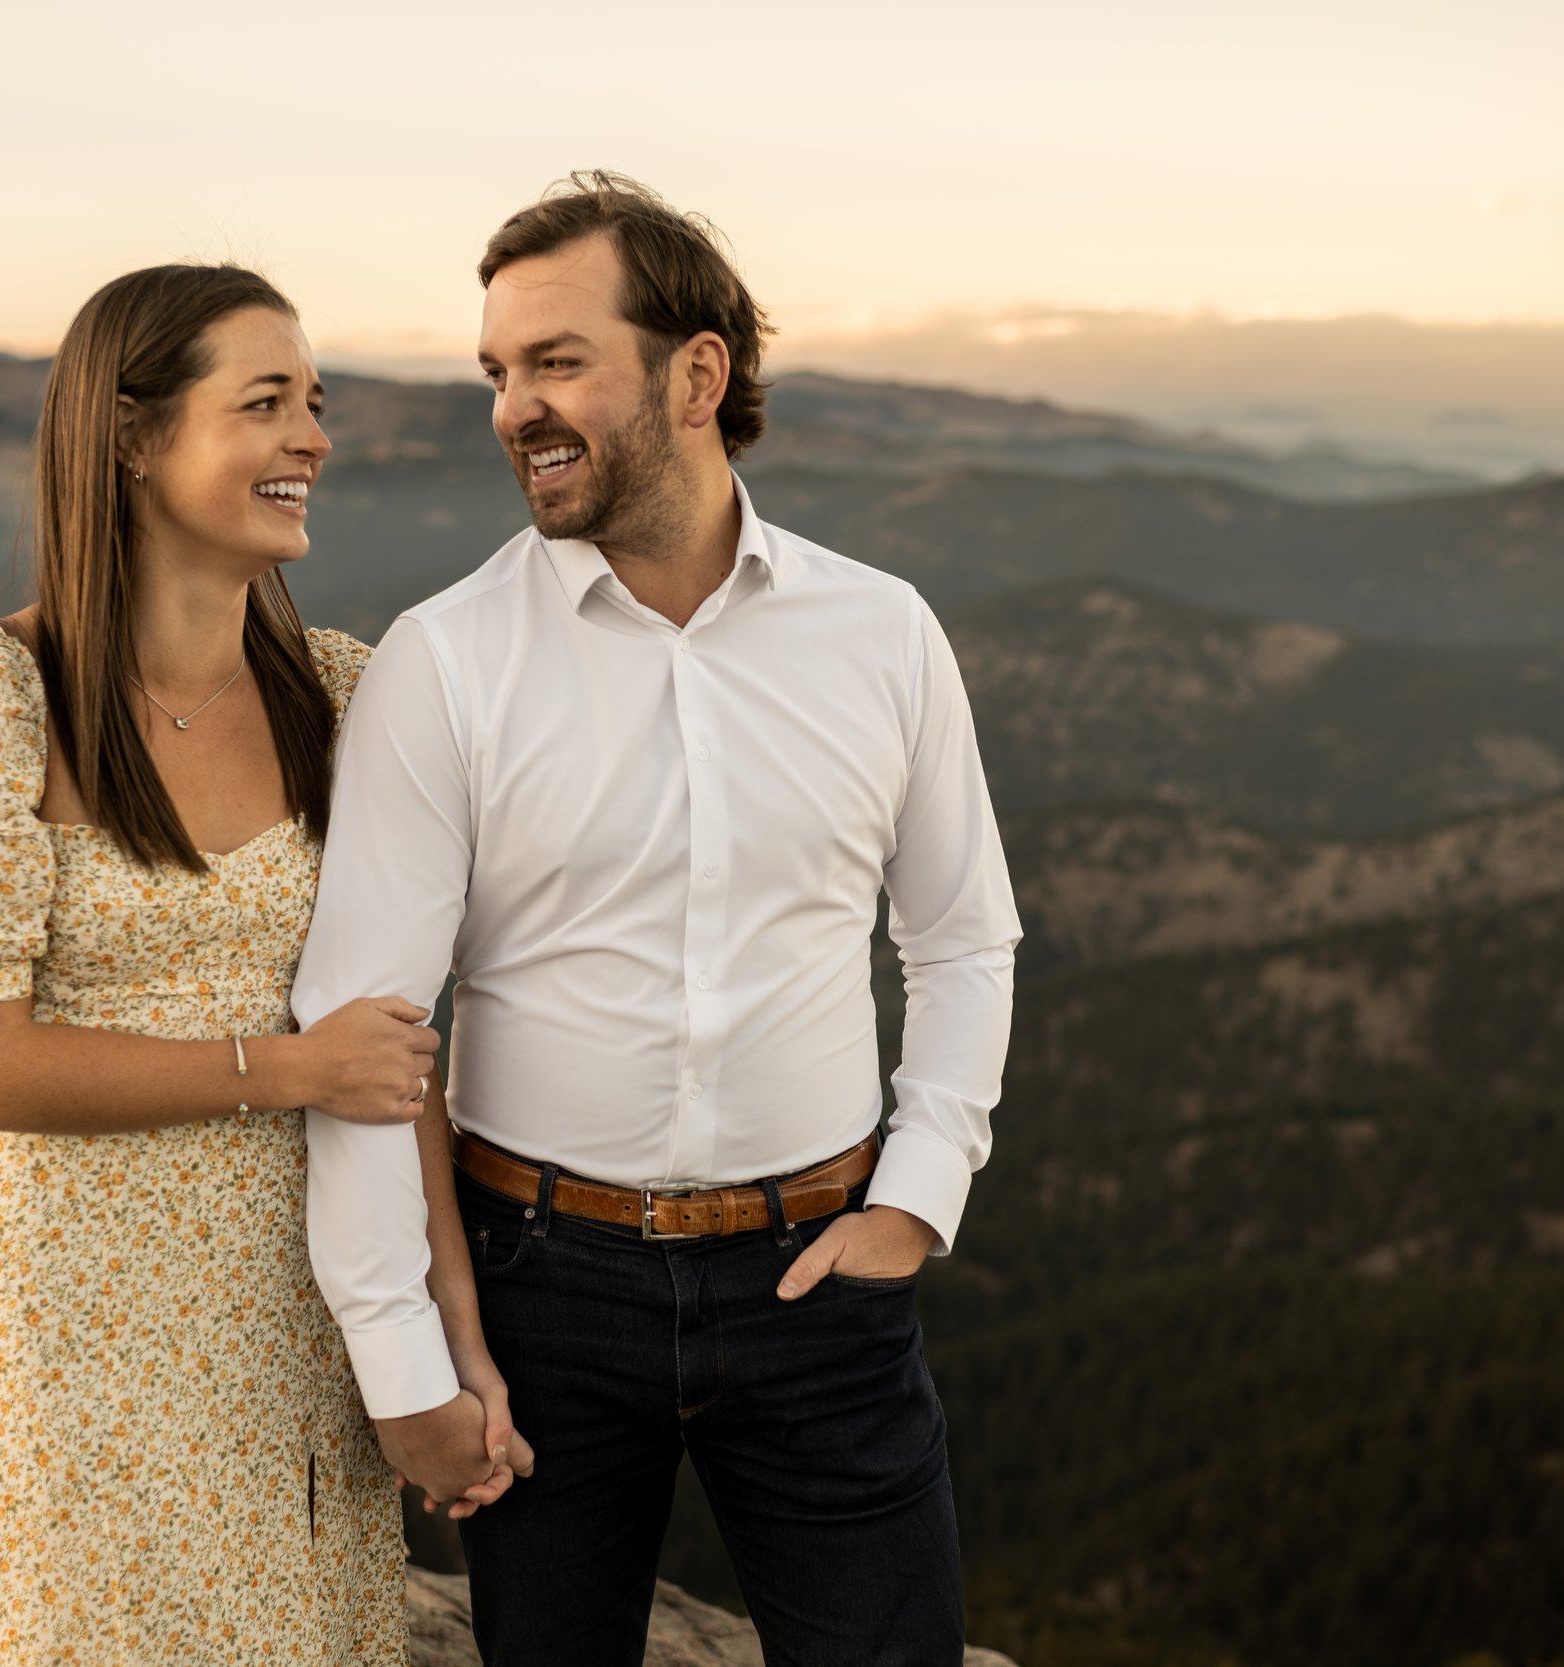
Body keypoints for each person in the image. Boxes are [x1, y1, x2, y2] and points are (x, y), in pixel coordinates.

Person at [292, 173, 1025, 1664]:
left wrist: (918, 1192)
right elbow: (361, 1034)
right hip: (539, 1297)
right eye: (497, 372)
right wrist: (404, 1360)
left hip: (822, 1284)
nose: (513, 407)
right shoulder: (446, 662)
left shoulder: (881, 633)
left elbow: (960, 936)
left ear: (698, 374)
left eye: (557, 361)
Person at [0, 263, 516, 1666]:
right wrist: (287, 1068)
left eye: (316, 404)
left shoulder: (340, 700)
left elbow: (401, 1062)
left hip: (301, 1297)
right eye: (266, 402)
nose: (315, 440)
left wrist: (451, 1339)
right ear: (130, 435)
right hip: (79, 1309)